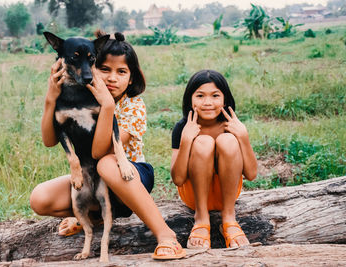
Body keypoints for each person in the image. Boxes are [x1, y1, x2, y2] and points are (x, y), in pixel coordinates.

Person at [30, 32, 186, 260]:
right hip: (92, 178)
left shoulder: (134, 106)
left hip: (130, 177)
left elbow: (99, 152)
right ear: (91, 68)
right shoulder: (80, 95)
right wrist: (51, 98)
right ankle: (92, 217)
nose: (112, 78)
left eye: (121, 71)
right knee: (40, 197)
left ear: (131, 78)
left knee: (106, 164)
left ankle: (166, 235)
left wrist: (107, 105)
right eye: (105, 69)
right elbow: (49, 141)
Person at [170, 70, 257, 249]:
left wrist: (243, 137)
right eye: (200, 95)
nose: (208, 102)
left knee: (227, 140)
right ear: (190, 99)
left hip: (228, 195)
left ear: (225, 100)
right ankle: (202, 219)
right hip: (194, 196)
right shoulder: (183, 127)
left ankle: (229, 218)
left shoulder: (232, 126)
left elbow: (251, 174)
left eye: (215, 95)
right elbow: (178, 179)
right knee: (203, 142)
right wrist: (186, 140)